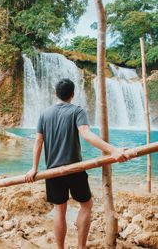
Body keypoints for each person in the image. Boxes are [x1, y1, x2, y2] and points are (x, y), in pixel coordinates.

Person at [25, 78, 128, 249]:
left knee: (59, 210)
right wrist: (113, 150)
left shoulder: (44, 114)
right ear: (73, 94)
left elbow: (38, 142)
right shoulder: (77, 111)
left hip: (52, 172)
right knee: (86, 205)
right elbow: (86, 134)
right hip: (75, 169)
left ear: (55, 94)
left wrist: (34, 168)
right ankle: (81, 246)